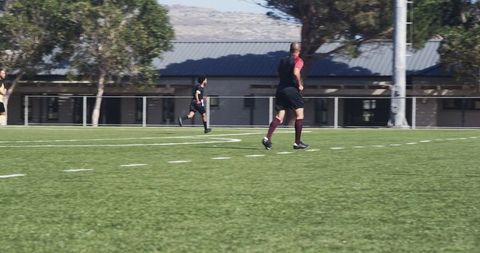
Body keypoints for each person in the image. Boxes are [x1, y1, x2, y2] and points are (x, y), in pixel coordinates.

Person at [262, 42, 309, 150]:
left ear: (290, 49)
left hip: (280, 89)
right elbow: (296, 71)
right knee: (300, 115)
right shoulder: (298, 60)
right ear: (299, 51)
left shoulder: (283, 60)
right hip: (291, 90)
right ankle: (297, 142)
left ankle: (267, 138)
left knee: (279, 117)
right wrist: (300, 84)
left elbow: (279, 72)